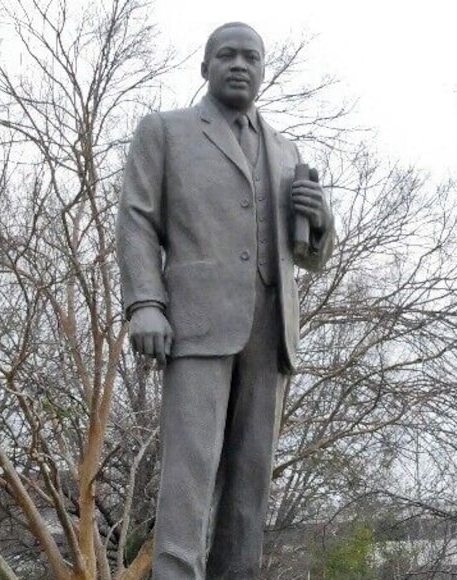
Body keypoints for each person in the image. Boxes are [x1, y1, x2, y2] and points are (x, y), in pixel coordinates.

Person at [116, 21, 334, 579]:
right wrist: (145, 302)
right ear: (206, 66)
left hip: (272, 329)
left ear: (263, 70)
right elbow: (137, 220)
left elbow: (309, 256)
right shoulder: (166, 131)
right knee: (189, 473)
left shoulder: (286, 151)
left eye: (252, 57)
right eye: (227, 55)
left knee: (250, 480)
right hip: (196, 324)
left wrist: (322, 219)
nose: (240, 65)